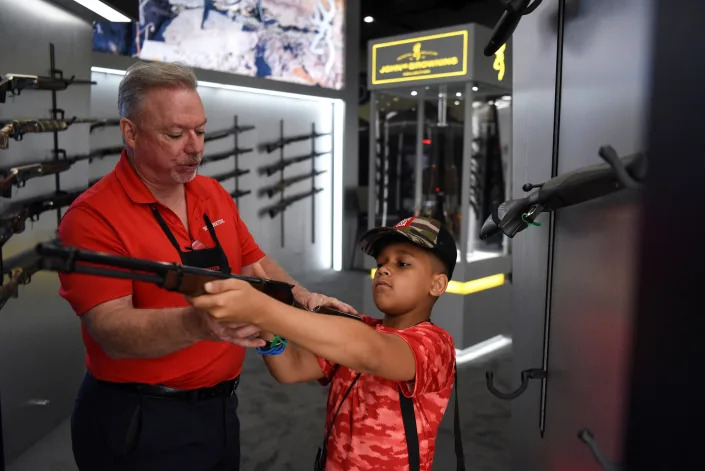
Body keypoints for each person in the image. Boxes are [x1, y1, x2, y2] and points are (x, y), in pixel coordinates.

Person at [57, 61, 354, 471]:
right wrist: (200, 324)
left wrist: (302, 297)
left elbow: (254, 261)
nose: (195, 146)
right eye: (175, 134)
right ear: (130, 132)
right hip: (140, 420)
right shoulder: (91, 218)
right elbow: (112, 331)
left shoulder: (211, 192)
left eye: (200, 130)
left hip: (220, 408)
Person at [189, 216, 458, 471]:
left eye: (402, 264)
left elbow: (371, 352)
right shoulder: (357, 329)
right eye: (381, 262)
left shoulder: (435, 345)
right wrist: (265, 325)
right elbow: (290, 368)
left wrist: (263, 308)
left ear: (437, 284)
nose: (383, 270)